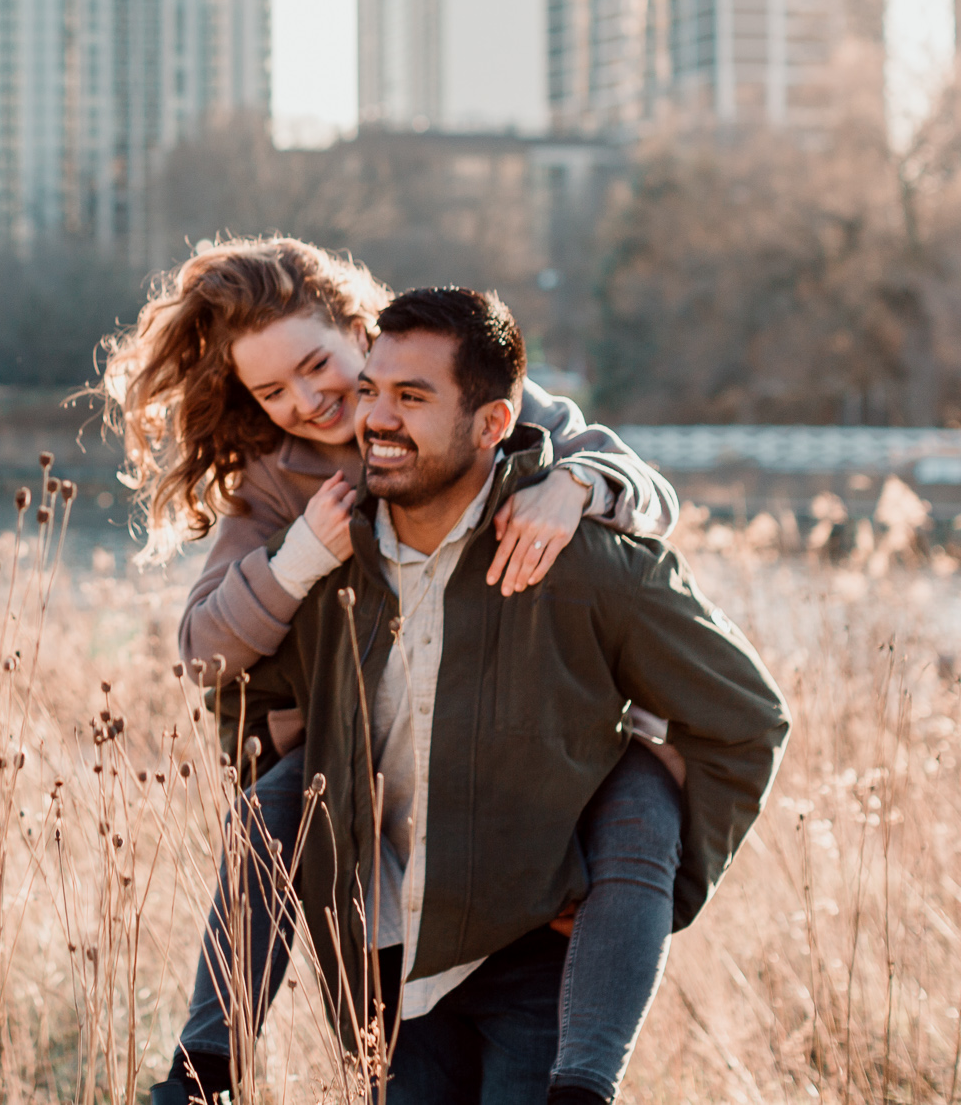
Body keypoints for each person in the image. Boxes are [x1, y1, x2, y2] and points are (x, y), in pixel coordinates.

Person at [103, 240, 684, 1105]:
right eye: (273, 391)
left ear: (358, 327)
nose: (309, 399)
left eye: (318, 363)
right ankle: (204, 1068)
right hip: (362, 805)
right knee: (274, 804)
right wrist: (299, 555)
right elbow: (202, 649)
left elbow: (650, 496)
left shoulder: (473, 405)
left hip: (509, 782)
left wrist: (574, 488)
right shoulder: (277, 482)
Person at [226, 287, 788, 1103]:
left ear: (491, 423)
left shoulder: (579, 558)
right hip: (385, 971)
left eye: (411, 397)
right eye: (373, 390)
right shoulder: (328, 555)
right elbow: (238, 691)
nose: (372, 417)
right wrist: (324, 851)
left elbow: (745, 719)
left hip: (532, 963)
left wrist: (654, 888)